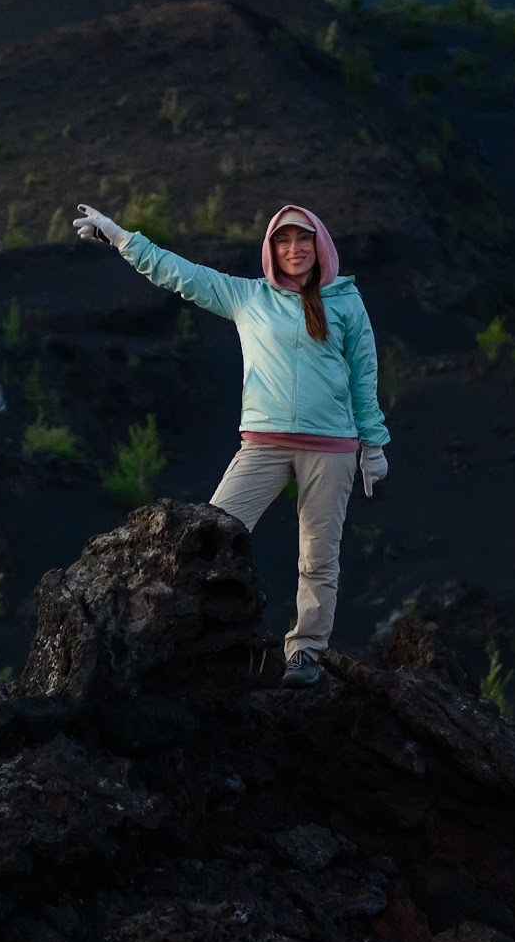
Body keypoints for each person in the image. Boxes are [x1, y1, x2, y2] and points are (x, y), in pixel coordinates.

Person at [71, 201, 390, 686]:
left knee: (319, 557)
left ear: (320, 245)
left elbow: (364, 375)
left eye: (303, 239)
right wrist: (121, 238)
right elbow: (180, 274)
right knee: (208, 537)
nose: (294, 249)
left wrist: (374, 445)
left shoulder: (346, 301)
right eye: (283, 241)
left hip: (332, 448)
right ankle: (188, 640)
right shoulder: (247, 297)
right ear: (271, 250)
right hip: (263, 445)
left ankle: (306, 653)